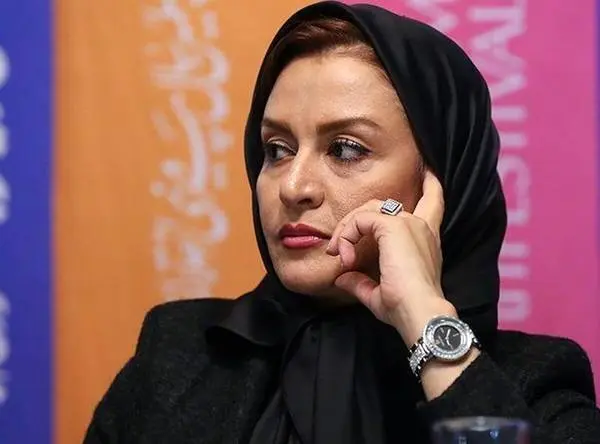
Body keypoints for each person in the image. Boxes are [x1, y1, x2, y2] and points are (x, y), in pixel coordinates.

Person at [84, 1, 600, 443]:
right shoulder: (178, 353)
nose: (293, 187)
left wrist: (427, 323)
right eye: (277, 149)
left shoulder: (536, 385)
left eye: (346, 149)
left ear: (442, 180)